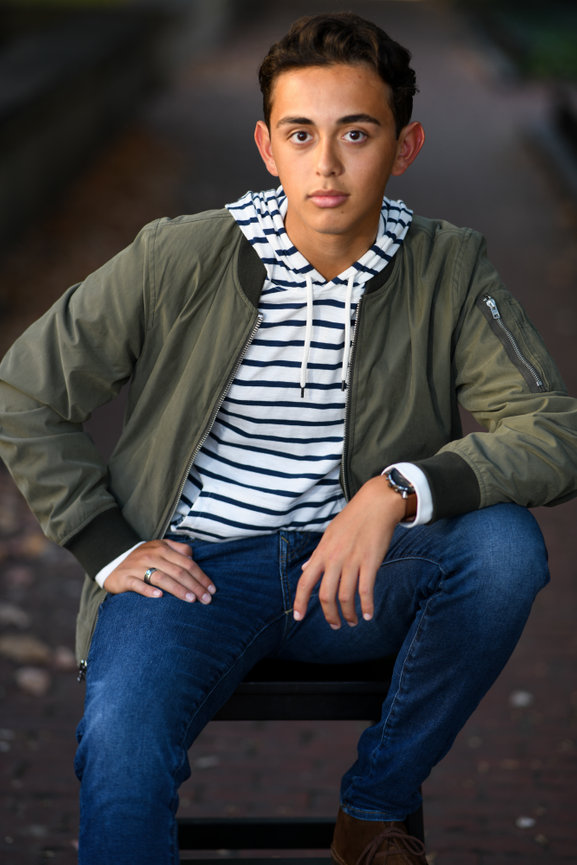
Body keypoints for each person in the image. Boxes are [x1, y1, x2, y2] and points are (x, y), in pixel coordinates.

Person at [1, 11, 576, 865]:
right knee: (120, 750)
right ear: (268, 146)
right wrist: (108, 545)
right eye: (302, 134)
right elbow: (26, 388)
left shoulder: (447, 268)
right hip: (192, 574)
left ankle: (371, 810)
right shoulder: (179, 257)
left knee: (501, 551)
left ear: (404, 145)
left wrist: (395, 492)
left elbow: (553, 432)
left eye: (357, 133)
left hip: (358, 582)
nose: (328, 164)